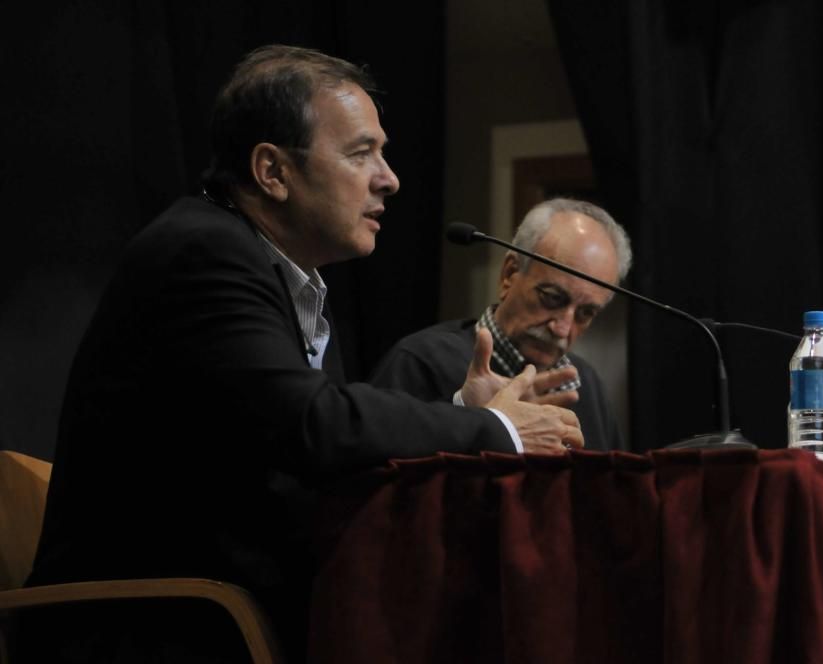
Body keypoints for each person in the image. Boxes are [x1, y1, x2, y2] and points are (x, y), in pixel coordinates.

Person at [22, 45, 582, 662]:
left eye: (384, 152)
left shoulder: (286, 275)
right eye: (360, 152)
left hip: (227, 609)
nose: (389, 178)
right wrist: (493, 427)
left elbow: (309, 450)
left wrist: (460, 410)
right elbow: (311, 426)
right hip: (143, 629)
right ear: (272, 172)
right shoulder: (201, 254)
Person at [370, 198, 632, 451]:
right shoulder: (421, 361)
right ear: (509, 274)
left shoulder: (586, 384)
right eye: (552, 298)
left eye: (585, 313)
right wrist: (474, 421)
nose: (562, 328)